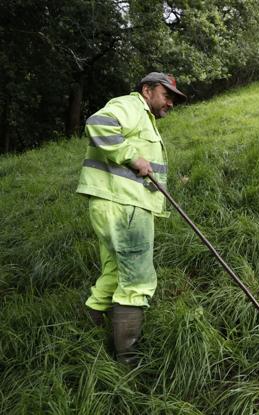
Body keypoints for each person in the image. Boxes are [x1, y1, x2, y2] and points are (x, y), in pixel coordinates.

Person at [76, 72, 186, 365]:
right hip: (125, 205)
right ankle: (128, 361)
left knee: (115, 271)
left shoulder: (142, 116)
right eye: (167, 95)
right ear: (147, 90)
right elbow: (97, 123)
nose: (171, 103)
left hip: (112, 202)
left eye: (174, 99)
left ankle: (86, 330)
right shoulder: (131, 106)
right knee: (137, 278)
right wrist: (130, 156)